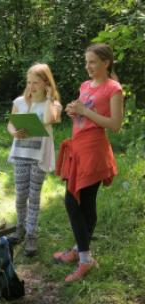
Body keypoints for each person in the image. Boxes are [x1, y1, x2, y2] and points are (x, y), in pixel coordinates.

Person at [54, 43, 124, 282]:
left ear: (106, 62)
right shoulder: (85, 85)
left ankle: (85, 259)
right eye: (87, 62)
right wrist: (73, 110)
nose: (89, 67)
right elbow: (83, 111)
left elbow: (115, 125)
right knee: (83, 204)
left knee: (74, 201)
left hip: (95, 152)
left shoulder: (114, 89)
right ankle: (79, 250)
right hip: (78, 150)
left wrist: (85, 111)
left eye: (93, 62)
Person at [7, 63, 62, 256]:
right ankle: (19, 228)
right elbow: (11, 125)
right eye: (29, 82)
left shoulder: (53, 105)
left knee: (34, 196)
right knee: (21, 195)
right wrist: (15, 132)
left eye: (36, 83)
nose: (31, 87)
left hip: (39, 157)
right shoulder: (20, 102)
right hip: (21, 154)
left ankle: (31, 235)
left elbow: (48, 119)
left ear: (46, 83)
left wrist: (48, 97)